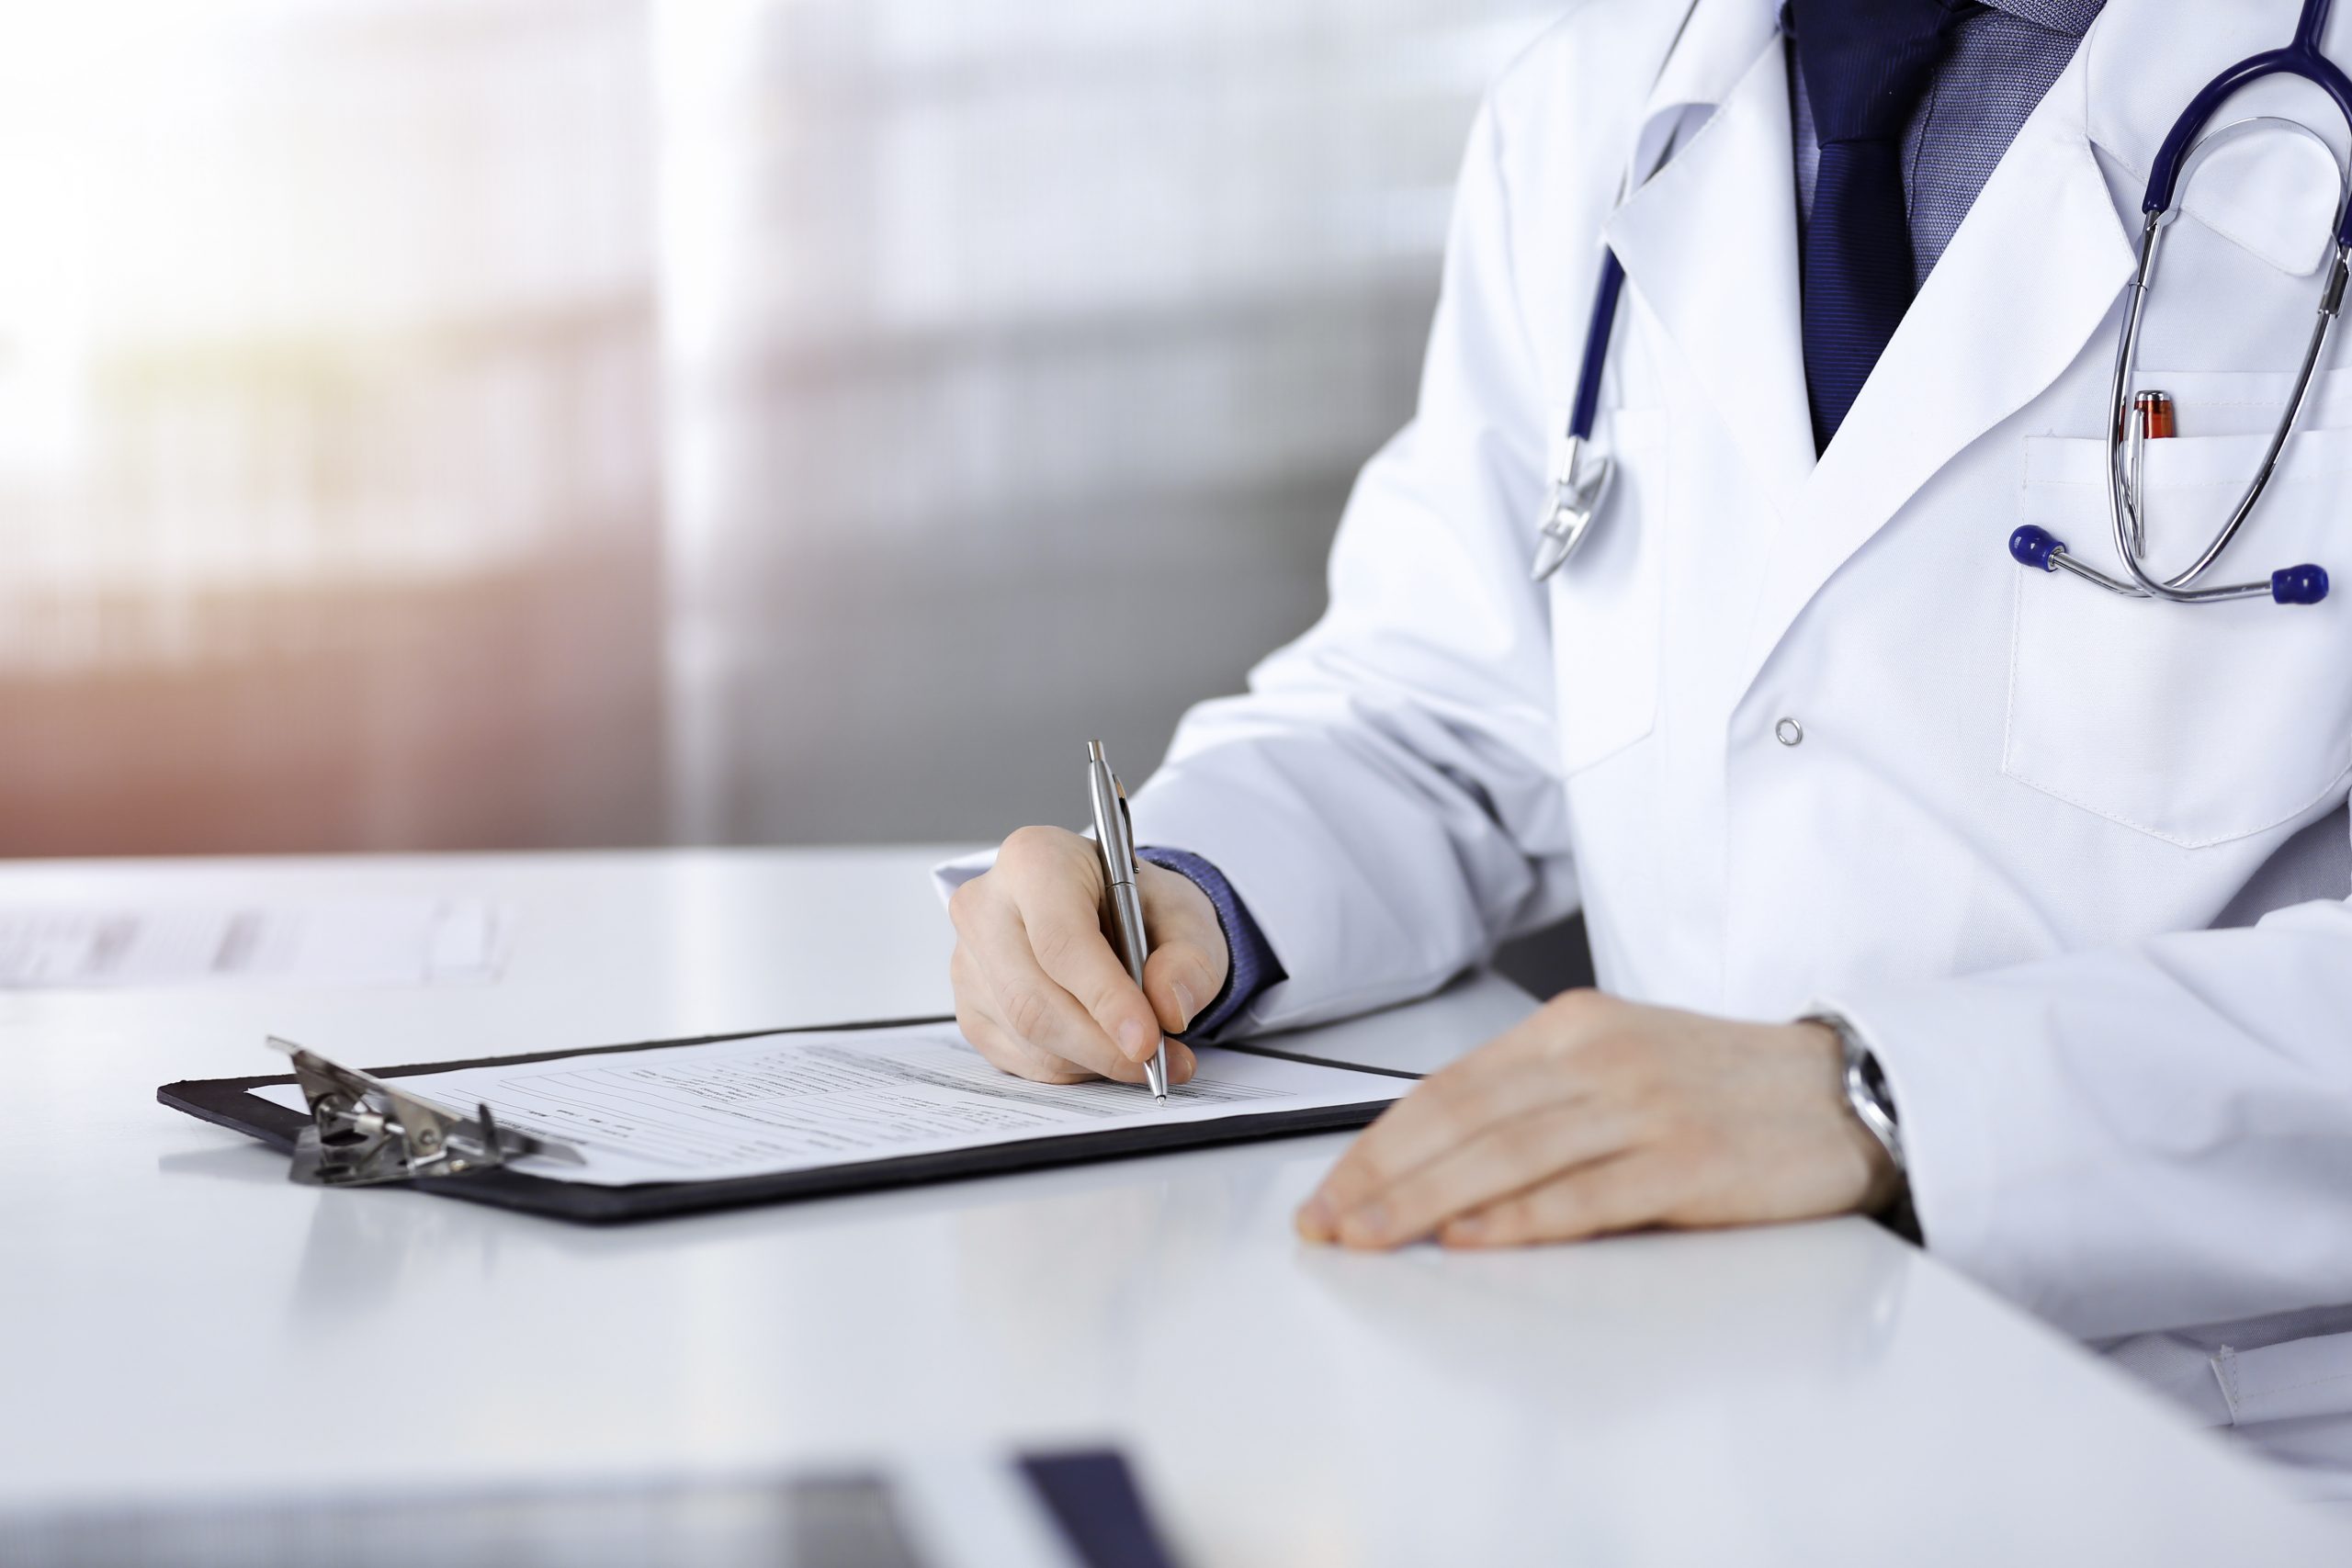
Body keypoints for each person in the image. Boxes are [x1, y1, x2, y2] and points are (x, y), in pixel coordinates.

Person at [941, 0, 2352, 1451]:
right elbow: (1445, 702)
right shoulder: (1593, 100)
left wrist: (1893, 1103)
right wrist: (1184, 893)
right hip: (1686, 1391)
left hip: (2220, 1445)